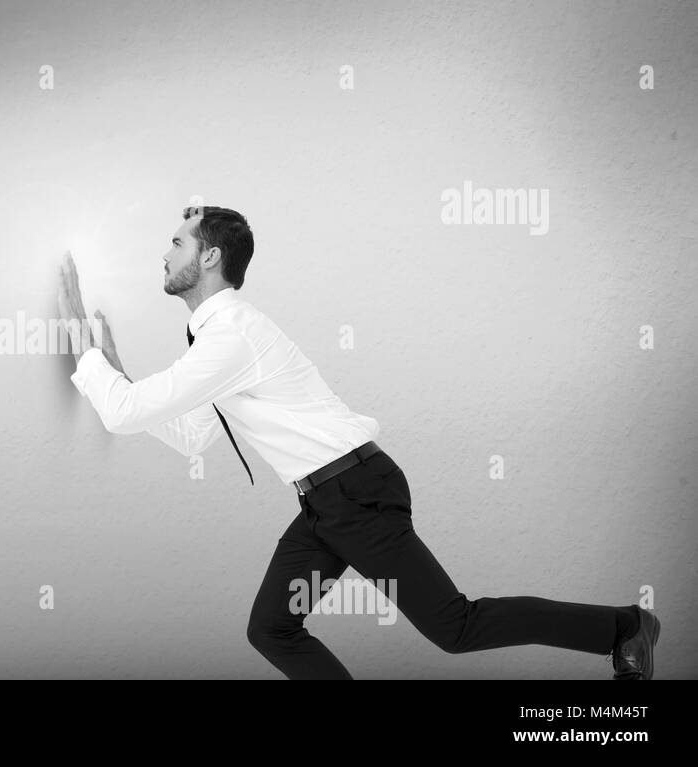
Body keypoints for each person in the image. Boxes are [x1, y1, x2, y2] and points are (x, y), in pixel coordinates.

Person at [56, 204, 660, 680]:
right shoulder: (219, 343)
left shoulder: (232, 336)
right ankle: (623, 628)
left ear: (209, 257)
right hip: (326, 504)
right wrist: (116, 373)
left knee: (455, 627)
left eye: (178, 242)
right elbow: (190, 435)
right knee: (272, 629)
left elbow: (125, 415)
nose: (164, 253)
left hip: (356, 493)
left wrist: (85, 347)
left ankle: (625, 628)